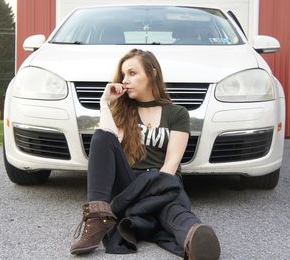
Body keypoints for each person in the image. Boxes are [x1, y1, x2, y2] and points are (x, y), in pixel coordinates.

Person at [70, 49, 221, 260]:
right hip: (128, 183)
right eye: (123, 75)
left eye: (132, 73)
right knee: (101, 136)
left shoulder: (177, 113)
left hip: (161, 182)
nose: (126, 80)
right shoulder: (122, 111)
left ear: (152, 73)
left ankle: (195, 239)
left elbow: (171, 164)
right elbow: (106, 141)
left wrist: (147, 200)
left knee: (173, 210)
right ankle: (96, 219)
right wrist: (105, 104)